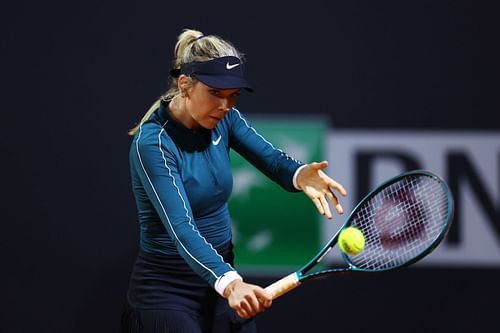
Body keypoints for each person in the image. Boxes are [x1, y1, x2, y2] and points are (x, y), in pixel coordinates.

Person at [121, 28, 347, 333]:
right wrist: (231, 284)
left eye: (232, 96)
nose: (225, 106)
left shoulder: (225, 118)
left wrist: (298, 173)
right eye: (215, 93)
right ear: (185, 85)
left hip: (221, 281)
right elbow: (181, 228)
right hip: (167, 293)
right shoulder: (154, 144)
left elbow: (273, 160)